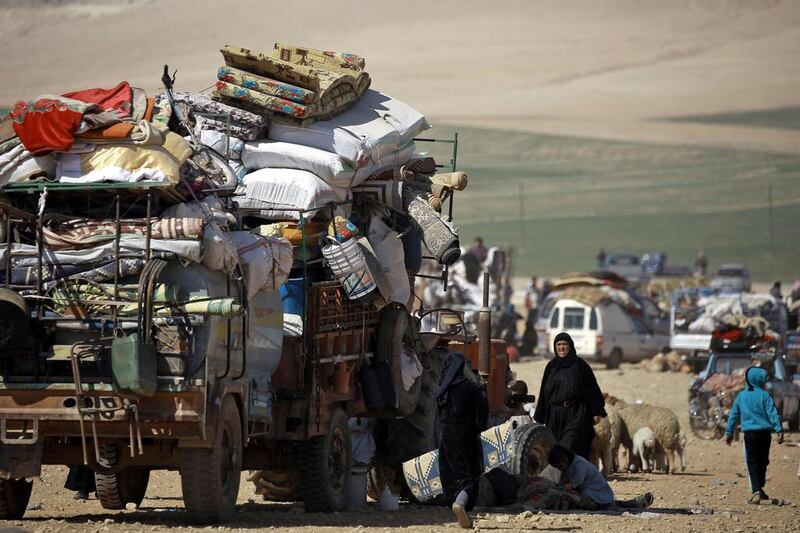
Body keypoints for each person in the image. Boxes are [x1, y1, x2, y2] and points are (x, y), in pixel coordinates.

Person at [436, 350, 489, 529]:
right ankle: (461, 503)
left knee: (450, 474)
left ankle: (456, 503)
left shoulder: (442, 389)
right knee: (470, 475)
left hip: (445, 437)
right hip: (465, 435)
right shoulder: (472, 388)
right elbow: (482, 418)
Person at [534, 332, 606, 459]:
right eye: (558, 344)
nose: (561, 347)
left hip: (575, 413)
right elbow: (544, 391)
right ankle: (561, 478)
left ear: (571, 346)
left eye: (564, 344)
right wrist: (540, 415)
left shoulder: (580, 365)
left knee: (569, 446)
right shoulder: (551, 366)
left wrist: (596, 411)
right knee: (554, 448)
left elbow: (592, 388)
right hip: (554, 415)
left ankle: (575, 476)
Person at [725, 366, 784, 505]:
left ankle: (757, 490)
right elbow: (773, 413)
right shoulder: (765, 395)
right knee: (763, 461)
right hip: (765, 434)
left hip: (749, 435)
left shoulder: (742, 396)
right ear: (760, 380)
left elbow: (734, 415)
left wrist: (729, 432)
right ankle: (760, 487)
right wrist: (779, 430)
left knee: (752, 462)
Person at [548, 445, 654, 509]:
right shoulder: (568, 466)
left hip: (596, 491)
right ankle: (631, 503)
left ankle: (633, 503)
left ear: (565, 458)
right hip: (590, 491)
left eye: (560, 464)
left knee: (588, 501)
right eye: (557, 466)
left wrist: (568, 486)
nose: (560, 467)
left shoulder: (578, 463)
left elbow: (577, 481)